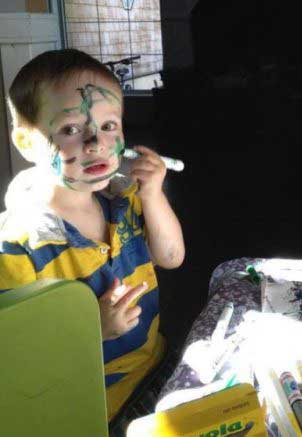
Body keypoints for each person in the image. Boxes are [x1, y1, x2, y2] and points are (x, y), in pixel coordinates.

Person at [0, 49, 185, 429]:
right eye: (70, 129)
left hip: (158, 365)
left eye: (109, 125)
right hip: (99, 408)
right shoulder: (16, 246)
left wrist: (153, 194)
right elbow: (17, 358)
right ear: (27, 142)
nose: (96, 142)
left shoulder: (124, 198)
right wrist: (90, 330)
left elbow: (170, 257)